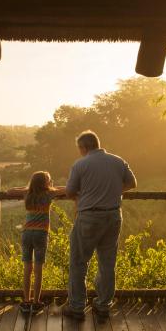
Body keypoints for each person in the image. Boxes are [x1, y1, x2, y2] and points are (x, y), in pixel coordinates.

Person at [63, 130, 137, 320]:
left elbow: (70, 191)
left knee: (79, 262)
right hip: (113, 215)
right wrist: (113, 191)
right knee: (107, 262)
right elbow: (132, 183)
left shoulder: (80, 164)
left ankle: (77, 306)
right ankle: (103, 305)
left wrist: (84, 195)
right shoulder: (118, 161)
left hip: (89, 216)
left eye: (79, 148)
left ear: (84, 147)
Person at [7, 171, 66, 313]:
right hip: (41, 234)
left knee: (27, 269)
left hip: (27, 233)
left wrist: (27, 188)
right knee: (38, 270)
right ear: (46, 183)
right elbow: (68, 189)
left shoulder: (27, 194)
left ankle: (26, 301)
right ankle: (36, 301)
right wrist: (53, 187)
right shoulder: (49, 194)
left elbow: (9, 191)